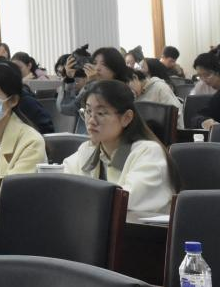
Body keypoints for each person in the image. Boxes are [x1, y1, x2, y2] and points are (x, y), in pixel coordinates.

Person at [62, 79, 177, 212]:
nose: (91, 121)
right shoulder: (88, 150)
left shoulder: (148, 152)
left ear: (126, 118)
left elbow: (124, 200)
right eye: (88, 111)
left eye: (101, 113)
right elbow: (62, 186)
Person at [59, 47, 128, 134]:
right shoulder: (90, 85)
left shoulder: (123, 91)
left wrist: (92, 83)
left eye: (104, 64)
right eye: (94, 63)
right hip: (85, 139)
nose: (97, 68)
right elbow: (67, 108)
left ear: (116, 69)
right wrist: (69, 79)